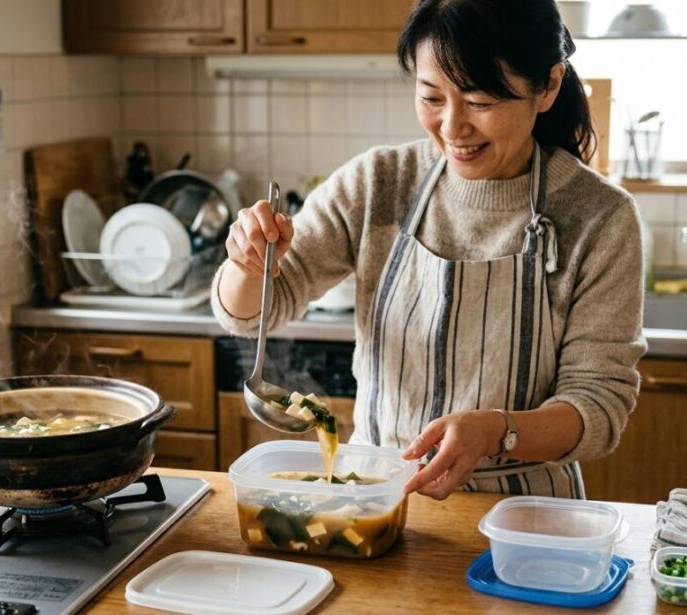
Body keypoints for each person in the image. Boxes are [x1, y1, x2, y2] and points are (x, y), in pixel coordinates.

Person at [211, 0, 646, 500]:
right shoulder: (378, 183)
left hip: (524, 516)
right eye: (432, 97)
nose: (453, 128)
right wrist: (248, 264)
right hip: (373, 496)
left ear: (547, 86)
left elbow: (597, 408)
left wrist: (496, 431)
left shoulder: (599, 217)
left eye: (480, 102)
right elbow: (249, 315)